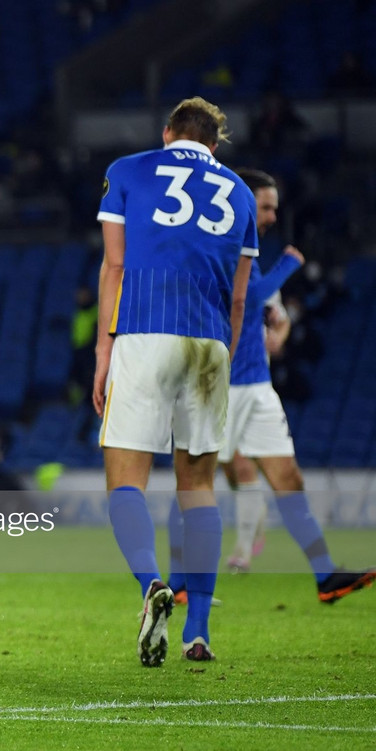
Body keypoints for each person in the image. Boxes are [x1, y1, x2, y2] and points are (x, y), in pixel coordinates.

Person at [94, 97, 256, 666]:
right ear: (215, 143)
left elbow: (114, 266)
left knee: (126, 483)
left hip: (144, 331)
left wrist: (102, 349)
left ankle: (151, 586)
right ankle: (200, 628)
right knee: (199, 488)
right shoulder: (239, 191)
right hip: (211, 343)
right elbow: (239, 296)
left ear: (167, 133)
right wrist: (224, 357)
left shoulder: (129, 169)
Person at [166, 169, 373, 601]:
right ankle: (180, 582)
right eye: (266, 206)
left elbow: (258, 304)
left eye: (275, 207)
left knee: (288, 478)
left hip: (257, 386)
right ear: (241, 204)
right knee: (194, 482)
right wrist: (290, 265)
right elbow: (249, 296)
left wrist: (274, 319)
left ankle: (324, 576)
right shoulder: (216, 244)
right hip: (214, 386)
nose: (274, 216)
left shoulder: (248, 250)